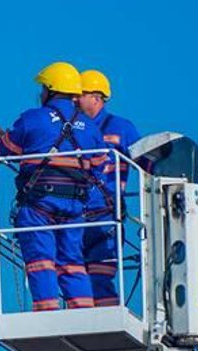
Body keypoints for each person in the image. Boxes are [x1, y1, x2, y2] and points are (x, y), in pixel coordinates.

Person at [0, 62, 106, 311]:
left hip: (39, 204)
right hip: (75, 206)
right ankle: (84, 311)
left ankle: (47, 310)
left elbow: (6, 149)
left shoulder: (32, 119)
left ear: (49, 89)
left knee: (41, 259)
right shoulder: (90, 127)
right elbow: (100, 164)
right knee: (73, 261)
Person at [78, 69, 141, 307]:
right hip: (73, 216)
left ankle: (107, 317)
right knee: (74, 279)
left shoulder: (120, 128)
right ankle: (82, 323)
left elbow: (146, 163)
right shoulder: (73, 129)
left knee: (99, 277)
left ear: (97, 97)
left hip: (104, 218)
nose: (75, 99)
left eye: (81, 94)